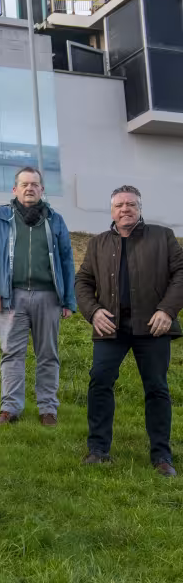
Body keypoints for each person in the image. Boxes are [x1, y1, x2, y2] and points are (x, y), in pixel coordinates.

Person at [75, 185, 183, 477]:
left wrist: (167, 310)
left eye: (131, 204)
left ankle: (162, 456)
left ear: (140, 208)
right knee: (99, 382)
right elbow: (82, 282)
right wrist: (93, 311)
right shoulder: (97, 244)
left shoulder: (163, 236)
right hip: (112, 327)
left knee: (157, 388)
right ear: (111, 210)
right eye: (120, 204)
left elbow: (180, 274)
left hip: (153, 327)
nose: (125, 209)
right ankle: (98, 450)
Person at [0, 167, 76, 427]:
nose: (29, 188)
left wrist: (69, 299)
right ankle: (10, 408)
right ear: (15, 189)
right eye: (24, 184)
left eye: (34, 184)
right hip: (12, 296)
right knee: (12, 354)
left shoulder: (55, 219)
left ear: (42, 190)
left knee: (48, 355)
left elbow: (67, 260)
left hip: (49, 297)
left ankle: (48, 409)